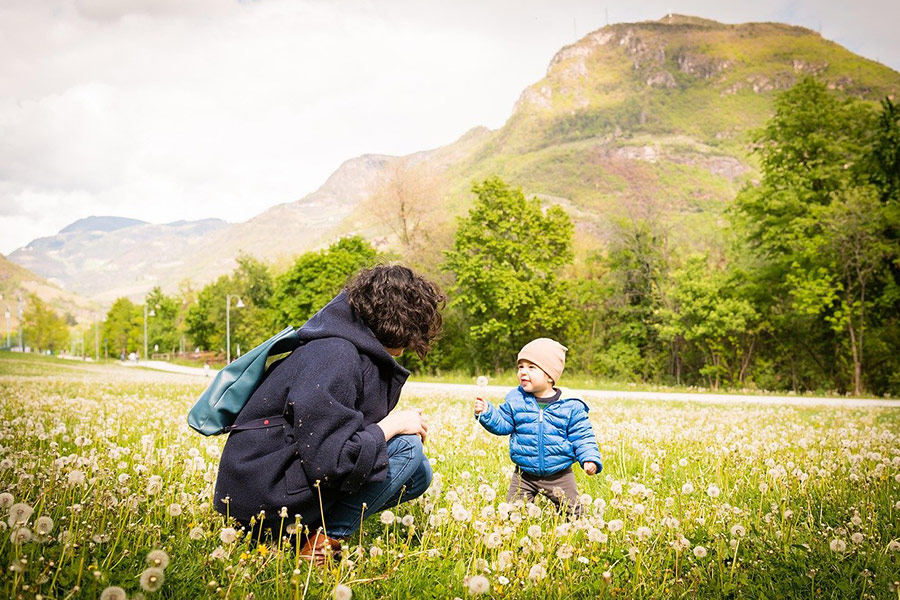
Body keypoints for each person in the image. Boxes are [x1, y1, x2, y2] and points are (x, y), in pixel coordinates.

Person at [213, 264, 444, 564]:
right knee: (408, 448)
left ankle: (310, 529)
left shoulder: (344, 346)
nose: (417, 340)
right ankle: (321, 541)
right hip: (263, 495)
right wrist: (394, 425)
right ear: (400, 322)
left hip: (274, 477)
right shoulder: (336, 355)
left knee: (419, 473)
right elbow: (329, 462)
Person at [473, 338, 602, 516]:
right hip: (524, 474)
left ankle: (579, 538)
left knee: (574, 515)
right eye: (520, 367)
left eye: (531, 367)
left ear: (550, 375)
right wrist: (487, 413)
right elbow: (503, 424)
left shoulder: (571, 405)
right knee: (513, 514)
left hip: (560, 474)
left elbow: (582, 436)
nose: (523, 372)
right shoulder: (516, 399)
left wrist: (589, 458)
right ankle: (513, 541)